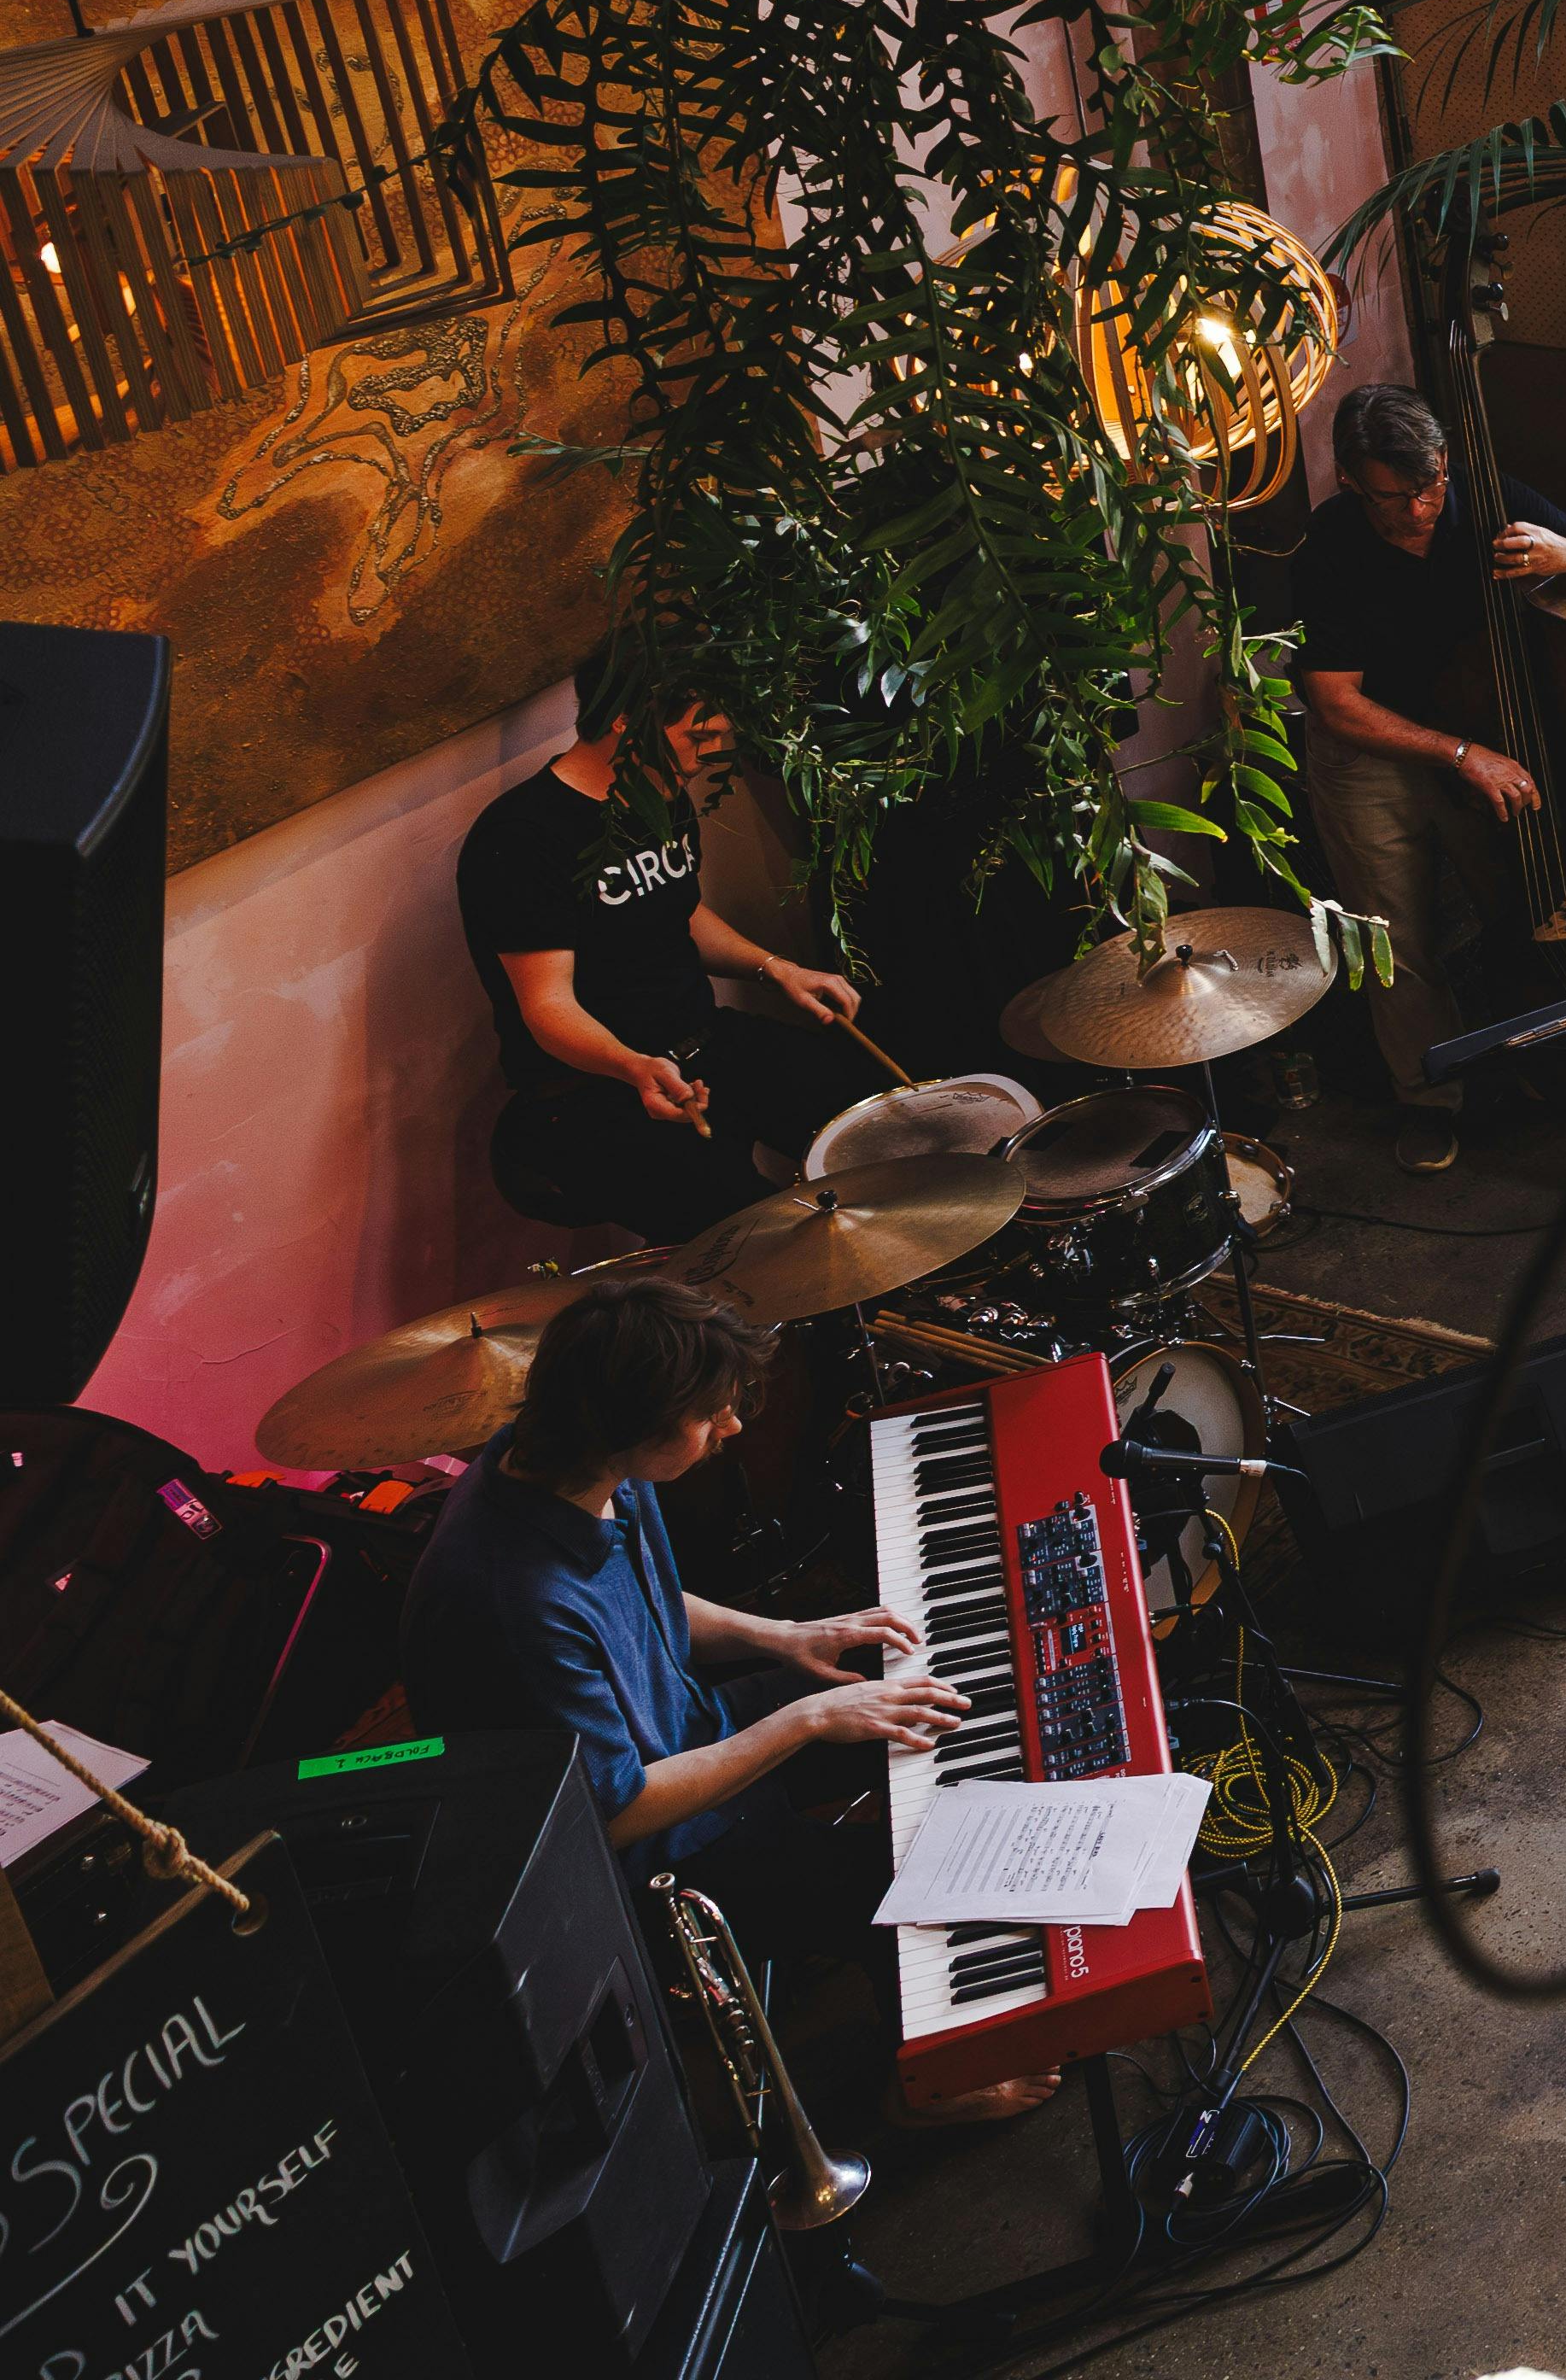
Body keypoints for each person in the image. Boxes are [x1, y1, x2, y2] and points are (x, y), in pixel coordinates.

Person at [396, 1277, 1054, 2123]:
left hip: (687, 1738)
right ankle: (928, 2085)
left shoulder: (568, 1460)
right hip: (644, 1860)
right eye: (711, 1414)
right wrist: (805, 1717)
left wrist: (783, 1636)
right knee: (890, 1876)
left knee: (914, 1683)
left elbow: (642, 1597)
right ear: (631, 1422)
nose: (733, 1427)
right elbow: (617, 1812)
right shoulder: (512, 1600)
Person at [1293, 382, 1566, 1169]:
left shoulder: (1486, 493)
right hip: (1372, 748)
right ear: (1351, 479)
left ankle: (1536, 1056)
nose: (1416, 511)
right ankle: (1429, 1099)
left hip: (1481, 728)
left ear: (1445, 462)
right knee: (1396, 936)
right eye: (1392, 497)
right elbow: (1335, 704)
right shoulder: (1331, 547)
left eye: (1427, 488)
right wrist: (1456, 754)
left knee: (1512, 900)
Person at [459, 651, 876, 1248]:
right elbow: (546, 1006)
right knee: (775, 1244)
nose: (710, 755)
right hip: (600, 1091)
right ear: (628, 720)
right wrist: (634, 1065)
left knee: (877, 1125)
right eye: (698, 735)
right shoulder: (525, 837)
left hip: (704, 1042)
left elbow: (676, 911)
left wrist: (777, 970)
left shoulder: (658, 792)